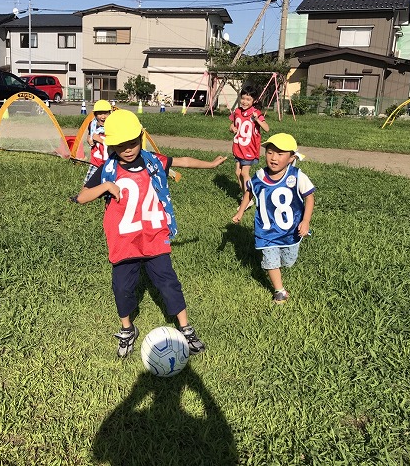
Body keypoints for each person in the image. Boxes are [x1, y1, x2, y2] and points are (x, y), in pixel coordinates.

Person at [75, 109, 227, 357]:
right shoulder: (107, 169)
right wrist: (106, 186)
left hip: (154, 236)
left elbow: (182, 161)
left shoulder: (153, 161)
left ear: (140, 138)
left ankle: (185, 327)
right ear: (111, 144)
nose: (127, 149)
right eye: (120, 145)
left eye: (132, 143)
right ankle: (127, 329)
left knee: (168, 282)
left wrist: (210, 164)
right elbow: (81, 197)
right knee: (122, 287)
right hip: (125, 240)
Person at [232, 133, 315, 304]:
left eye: (280, 154)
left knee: (288, 260)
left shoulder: (297, 176)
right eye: (269, 152)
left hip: (291, 229)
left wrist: (305, 221)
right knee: (271, 261)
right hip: (266, 230)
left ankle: (281, 264)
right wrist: (241, 211)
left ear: (291, 158)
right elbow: (249, 192)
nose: (273, 158)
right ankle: (279, 291)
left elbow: (309, 197)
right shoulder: (260, 176)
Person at [229, 85, 270, 209]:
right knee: (238, 172)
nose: (244, 101)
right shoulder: (237, 111)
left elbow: (267, 128)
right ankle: (246, 196)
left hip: (249, 149)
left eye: (248, 99)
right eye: (243, 98)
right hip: (238, 147)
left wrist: (257, 120)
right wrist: (232, 128)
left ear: (254, 101)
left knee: (244, 173)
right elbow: (232, 125)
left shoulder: (256, 113)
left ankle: (248, 199)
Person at [83, 100, 113, 183]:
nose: (103, 117)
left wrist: (99, 139)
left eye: (106, 113)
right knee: (88, 183)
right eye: (100, 113)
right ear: (95, 115)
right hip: (96, 161)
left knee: (109, 183)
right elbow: (90, 135)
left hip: (110, 162)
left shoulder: (113, 127)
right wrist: (89, 139)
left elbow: (115, 144)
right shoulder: (92, 124)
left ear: (110, 113)